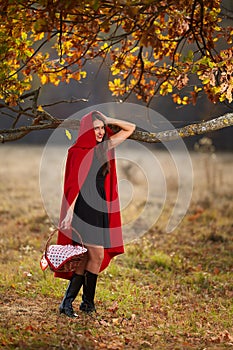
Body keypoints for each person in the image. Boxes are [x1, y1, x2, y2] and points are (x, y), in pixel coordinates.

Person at [56, 110, 136, 318]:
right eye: (96, 128)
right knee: (97, 255)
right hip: (84, 210)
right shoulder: (77, 151)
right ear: (86, 130)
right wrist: (68, 214)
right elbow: (73, 185)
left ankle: (76, 304)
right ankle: (81, 303)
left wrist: (109, 120)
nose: (100, 132)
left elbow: (130, 128)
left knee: (85, 259)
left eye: (102, 128)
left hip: (99, 210)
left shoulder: (103, 148)